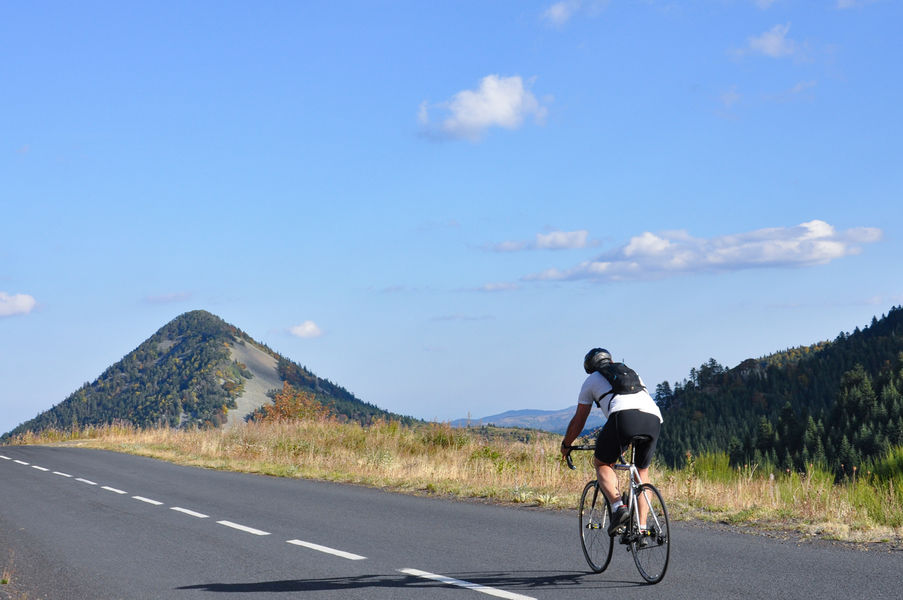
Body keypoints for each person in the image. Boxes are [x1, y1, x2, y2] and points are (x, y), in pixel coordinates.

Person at [560, 348, 663, 537]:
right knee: (641, 472)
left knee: (602, 463)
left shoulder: (591, 380)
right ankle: (641, 528)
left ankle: (618, 507)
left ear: (590, 367)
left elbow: (579, 420)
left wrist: (567, 444)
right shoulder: (632, 373)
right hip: (654, 418)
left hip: (624, 417)